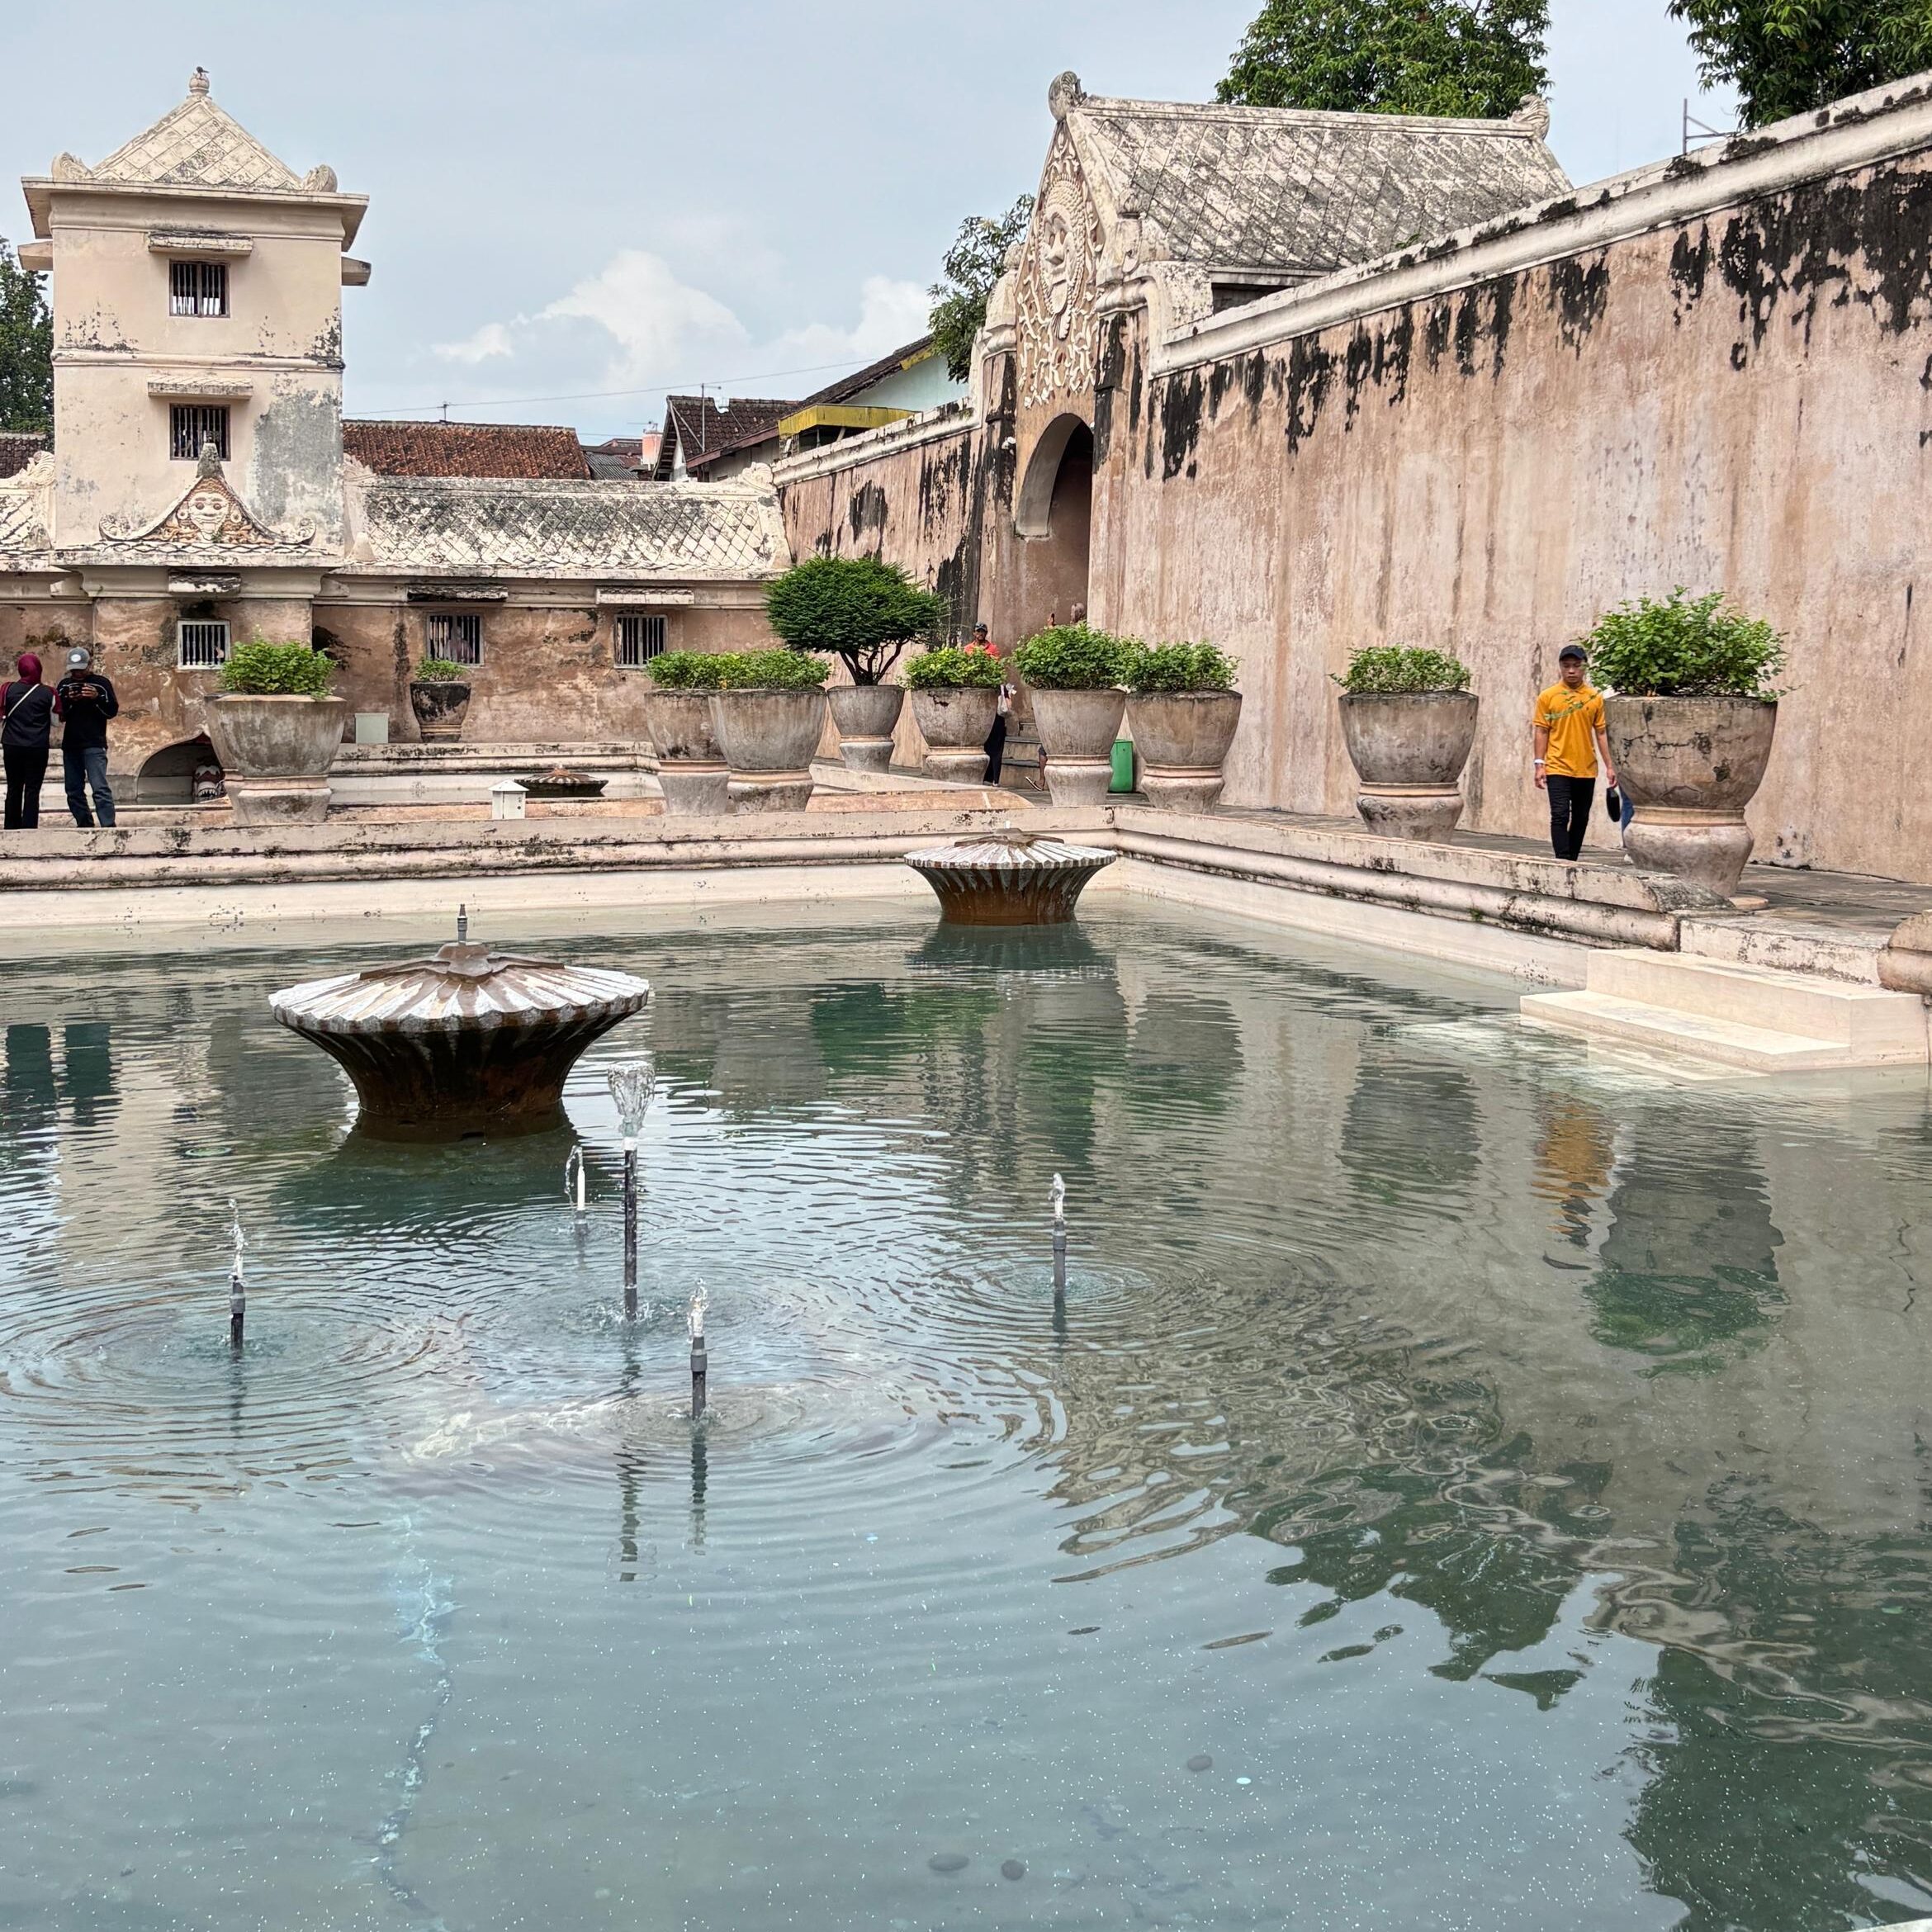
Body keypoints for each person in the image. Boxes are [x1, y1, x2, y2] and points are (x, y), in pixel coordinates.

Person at [1534, 642, 1616, 862]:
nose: (1571, 671)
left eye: (1576, 666)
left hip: (1586, 768)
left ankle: (1572, 861)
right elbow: (1542, 730)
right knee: (1560, 815)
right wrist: (1539, 764)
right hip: (1557, 766)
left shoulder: (1594, 697)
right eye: (1566, 665)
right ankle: (1562, 860)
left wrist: (1610, 766)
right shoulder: (1548, 696)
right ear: (1560, 667)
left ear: (1584, 668)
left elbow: (1601, 733)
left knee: (1581, 818)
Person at [54, 646, 117, 828]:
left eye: (81, 669)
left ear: (89, 665)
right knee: (73, 790)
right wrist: (69, 701)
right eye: (74, 670)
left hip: (94, 743)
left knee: (100, 788)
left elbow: (111, 711)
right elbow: (60, 716)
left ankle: (108, 825)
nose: (78, 674)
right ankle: (84, 824)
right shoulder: (64, 685)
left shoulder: (101, 683)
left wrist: (96, 698)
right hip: (71, 744)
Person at [2, 651, 54, 830]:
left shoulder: (7, 689)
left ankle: (11, 825)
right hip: (37, 746)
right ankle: (30, 826)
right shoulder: (48, 693)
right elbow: (55, 721)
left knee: (14, 786)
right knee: (32, 788)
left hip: (12, 744)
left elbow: (2, 717)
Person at [971, 623, 1011, 784]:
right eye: (978, 631)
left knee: (995, 744)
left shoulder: (993, 649)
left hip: (992, 702)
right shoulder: (968, 649)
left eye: (983, 632)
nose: (980, 634)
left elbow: (995, 667)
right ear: (974, 633)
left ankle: (994, 778)